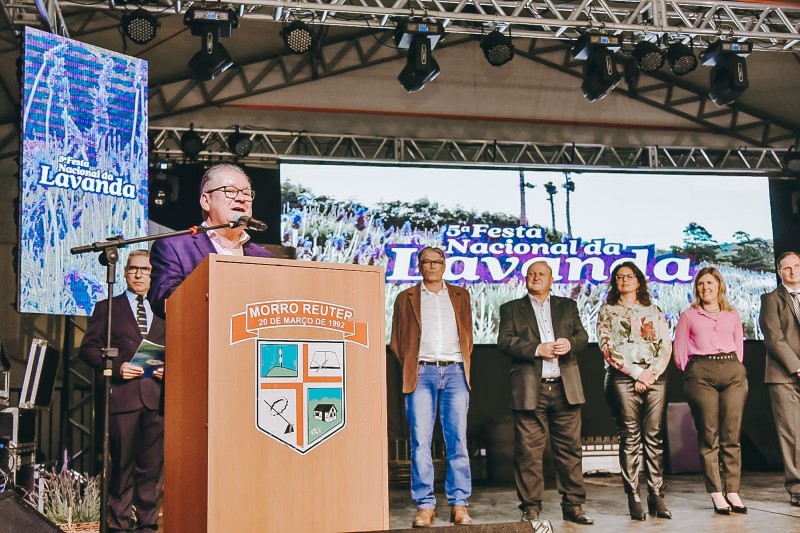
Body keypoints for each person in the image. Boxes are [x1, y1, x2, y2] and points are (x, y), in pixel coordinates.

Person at [498, 261, 595, 525]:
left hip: (566, 388)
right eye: (531, 274)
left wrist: (570, 343)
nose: (535, 277)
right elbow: (504, 341)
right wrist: (536, 349)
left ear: (552, 279)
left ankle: (573, 506)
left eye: (541, 274)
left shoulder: (568, 306)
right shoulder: (511, 309)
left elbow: (583, 338)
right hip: (531, 388)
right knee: (529, 453)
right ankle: (530, 507)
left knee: (570, 451)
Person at [79, 249, 166, 533]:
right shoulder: (108, 307)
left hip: (155, 401)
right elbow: (89, 349)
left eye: (145, 269)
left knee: (151, 471)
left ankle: (147, 525)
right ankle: (118, 526)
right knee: (121, 469)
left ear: (153, 276)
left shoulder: (163, 312)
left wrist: (169, 369)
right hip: (123, 401)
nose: (139, 274)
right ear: (125, 272)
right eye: (133, 269)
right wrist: (118, 368)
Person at [389, 246, 474, 527]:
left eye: (437, 262)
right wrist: (415, 365)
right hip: (422, 372)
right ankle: (425, 505)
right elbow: (398, 342)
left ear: (444, 265)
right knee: (420, 442)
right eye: (426, 262)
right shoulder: (406, 297)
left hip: (455, 372)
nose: (432, 266)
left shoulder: (461, 295)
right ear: (419, 266)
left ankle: (459, 504)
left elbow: (468, 337)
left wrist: (457, 364)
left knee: (458, 441)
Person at [596, 261, 671, 521]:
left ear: (639, 280)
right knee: (630, 438)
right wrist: (637, 374)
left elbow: (666, 346)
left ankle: (656, 494)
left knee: (654, 437)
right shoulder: (608, 311)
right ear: (614, 283)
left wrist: (651, 374)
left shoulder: (653, 310)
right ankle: (634, 496)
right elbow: (606, 347)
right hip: (622, 379)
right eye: (619, 277)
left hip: (654, 378)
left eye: (629, 276)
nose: (624, 280)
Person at [148, 164, 276, 316]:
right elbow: (164, 300)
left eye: (247, 193)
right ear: (206, 201)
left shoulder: (266, 258)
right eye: (230, 191)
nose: (242, 199)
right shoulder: (174, 247)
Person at [674, 266, 747, 514]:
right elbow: (680, 351)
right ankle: (716, 492)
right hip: (701, 372)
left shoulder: (732, 313)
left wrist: (735, 367)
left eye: (710, 283)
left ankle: (733, 491)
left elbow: (739, 346)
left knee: (732, 433)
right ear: (697, 288)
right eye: (701, 284)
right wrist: (693, 371)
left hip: (731, 369)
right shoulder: (688, 315)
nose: (706, 288)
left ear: (719, 286)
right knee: (709, 433)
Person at [759, 250, 800, 507]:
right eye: (787, 268)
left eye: (797, 266)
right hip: (784, 376)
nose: (793, 271)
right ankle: (797, 486)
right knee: (792, 434)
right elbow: (773, 337)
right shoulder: (770, 299)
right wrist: (797, 367)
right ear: (779, 272)